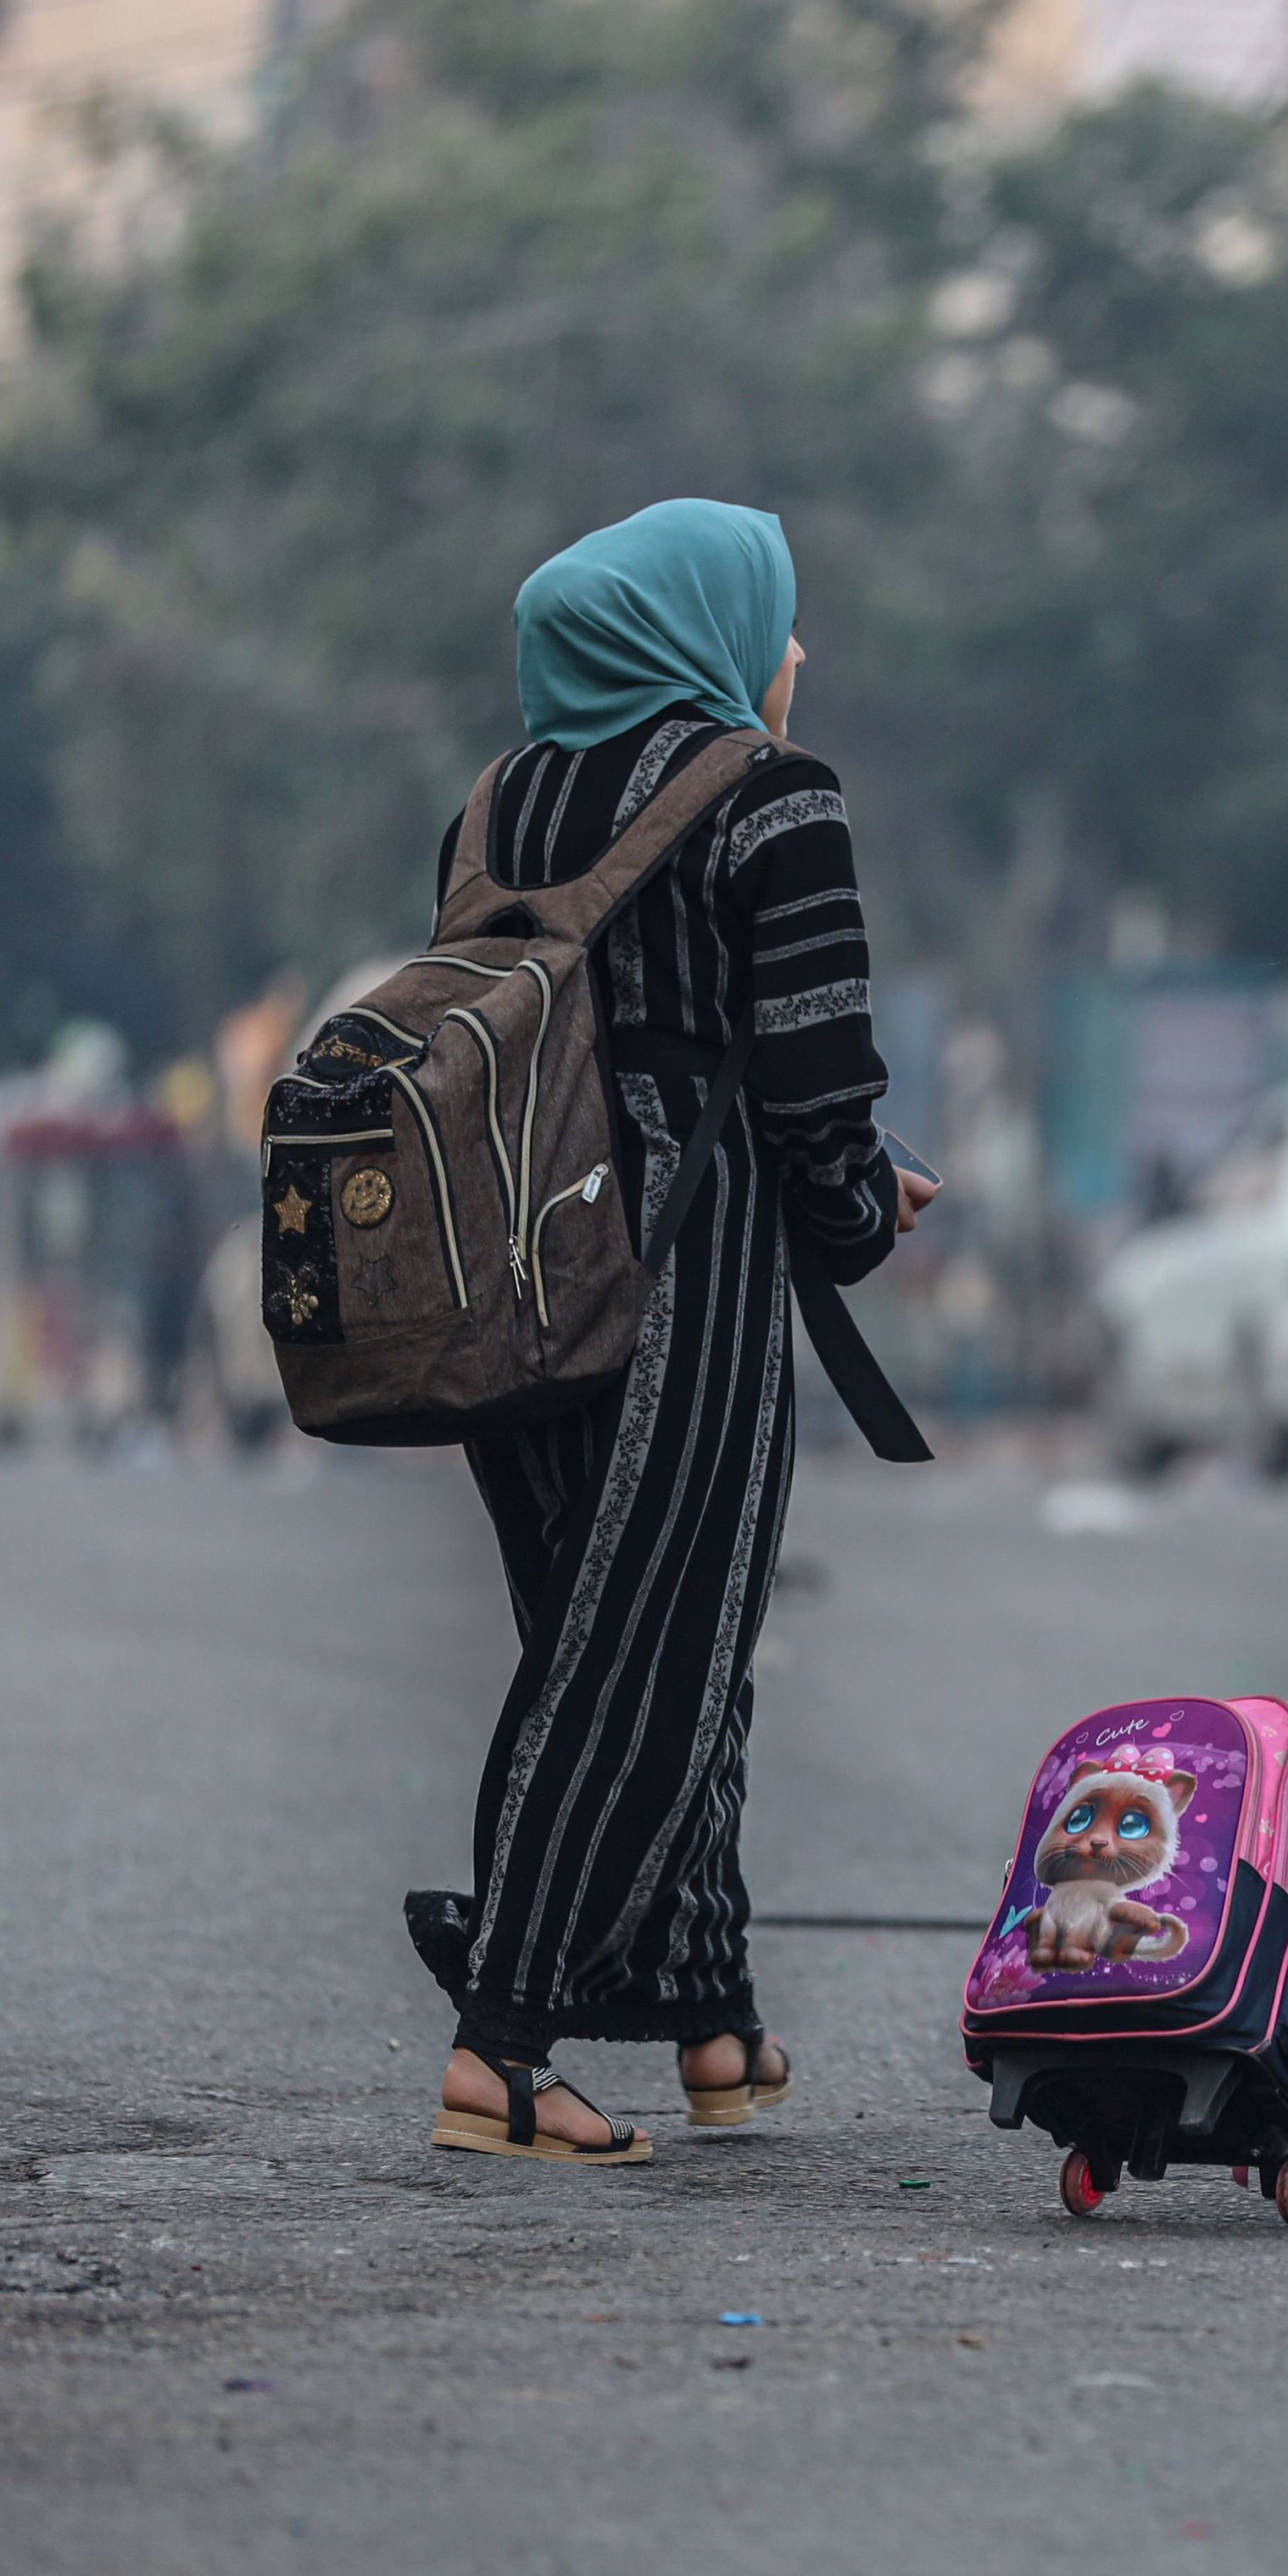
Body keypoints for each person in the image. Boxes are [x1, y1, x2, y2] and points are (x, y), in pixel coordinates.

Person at [407, 500, 933, 2165]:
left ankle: (711, 2016)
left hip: (503, 1281)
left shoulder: (490, 805)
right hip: (678, 1274)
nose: (792, 658)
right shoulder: (775, 799)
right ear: (711, 631)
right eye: (776, 623)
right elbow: (812, 1074)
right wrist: (860, 1210)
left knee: (619, 1624)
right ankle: (500, 2040)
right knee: (635, 1650)